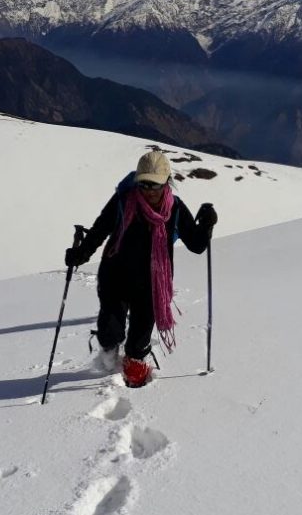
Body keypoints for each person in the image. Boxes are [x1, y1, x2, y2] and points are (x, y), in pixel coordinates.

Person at [65, 151, 218, 388]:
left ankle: (136, 382)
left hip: (150, 286)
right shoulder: (123, 201)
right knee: (110, 332)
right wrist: (81, 253)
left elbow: (196, 245)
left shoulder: (175, 209)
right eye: (143, 183)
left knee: (138, 344)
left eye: (154, 185)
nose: (148, 190)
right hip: (115, 277)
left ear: (167, 182)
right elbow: (99, 230)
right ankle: (108, 362)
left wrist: (206, 225)